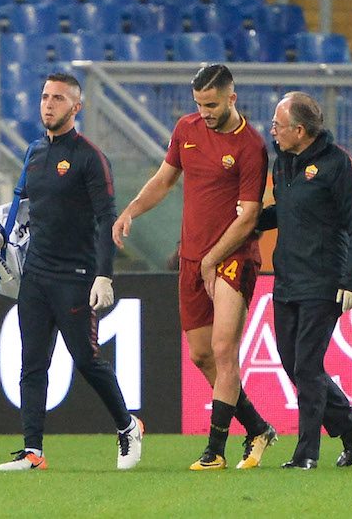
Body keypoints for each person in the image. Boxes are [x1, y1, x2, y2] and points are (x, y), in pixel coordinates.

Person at [112, 64, 276, 471]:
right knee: (202, 355)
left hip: (233, 257)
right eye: (200, 104)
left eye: (212, 105)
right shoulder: (186, 129)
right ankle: (257, 428)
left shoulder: (251, 146)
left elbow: (248, 217)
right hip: (192, 258)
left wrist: (212, 258)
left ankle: (214, 450)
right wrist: (131, 210)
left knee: (223, 350)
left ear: (231, 98)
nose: (205, 112)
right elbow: (164, 180)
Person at [0, 73, 143, 472]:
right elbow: (22, 206)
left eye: (58, 98)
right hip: (36, 274)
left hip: (76, 275)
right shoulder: (34, 152)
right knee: (32, 363)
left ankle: (128, 426)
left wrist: (104, 275)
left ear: (77, 107)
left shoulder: (90, 157)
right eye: (45, 96)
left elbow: (107, 217)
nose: (48, 104)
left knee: (86, 359)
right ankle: (33, 451)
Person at [257, 91, 352, 470]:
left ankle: (306, 453)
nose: (272, 131)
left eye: (278, 125)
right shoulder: (283, 163)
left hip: (324, 282)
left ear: (300, 130)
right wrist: (250, 221)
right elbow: (287, 211)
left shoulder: (339, 164)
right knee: (292, 363)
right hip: (287, 280)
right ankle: (350, 422)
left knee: (307, 366)